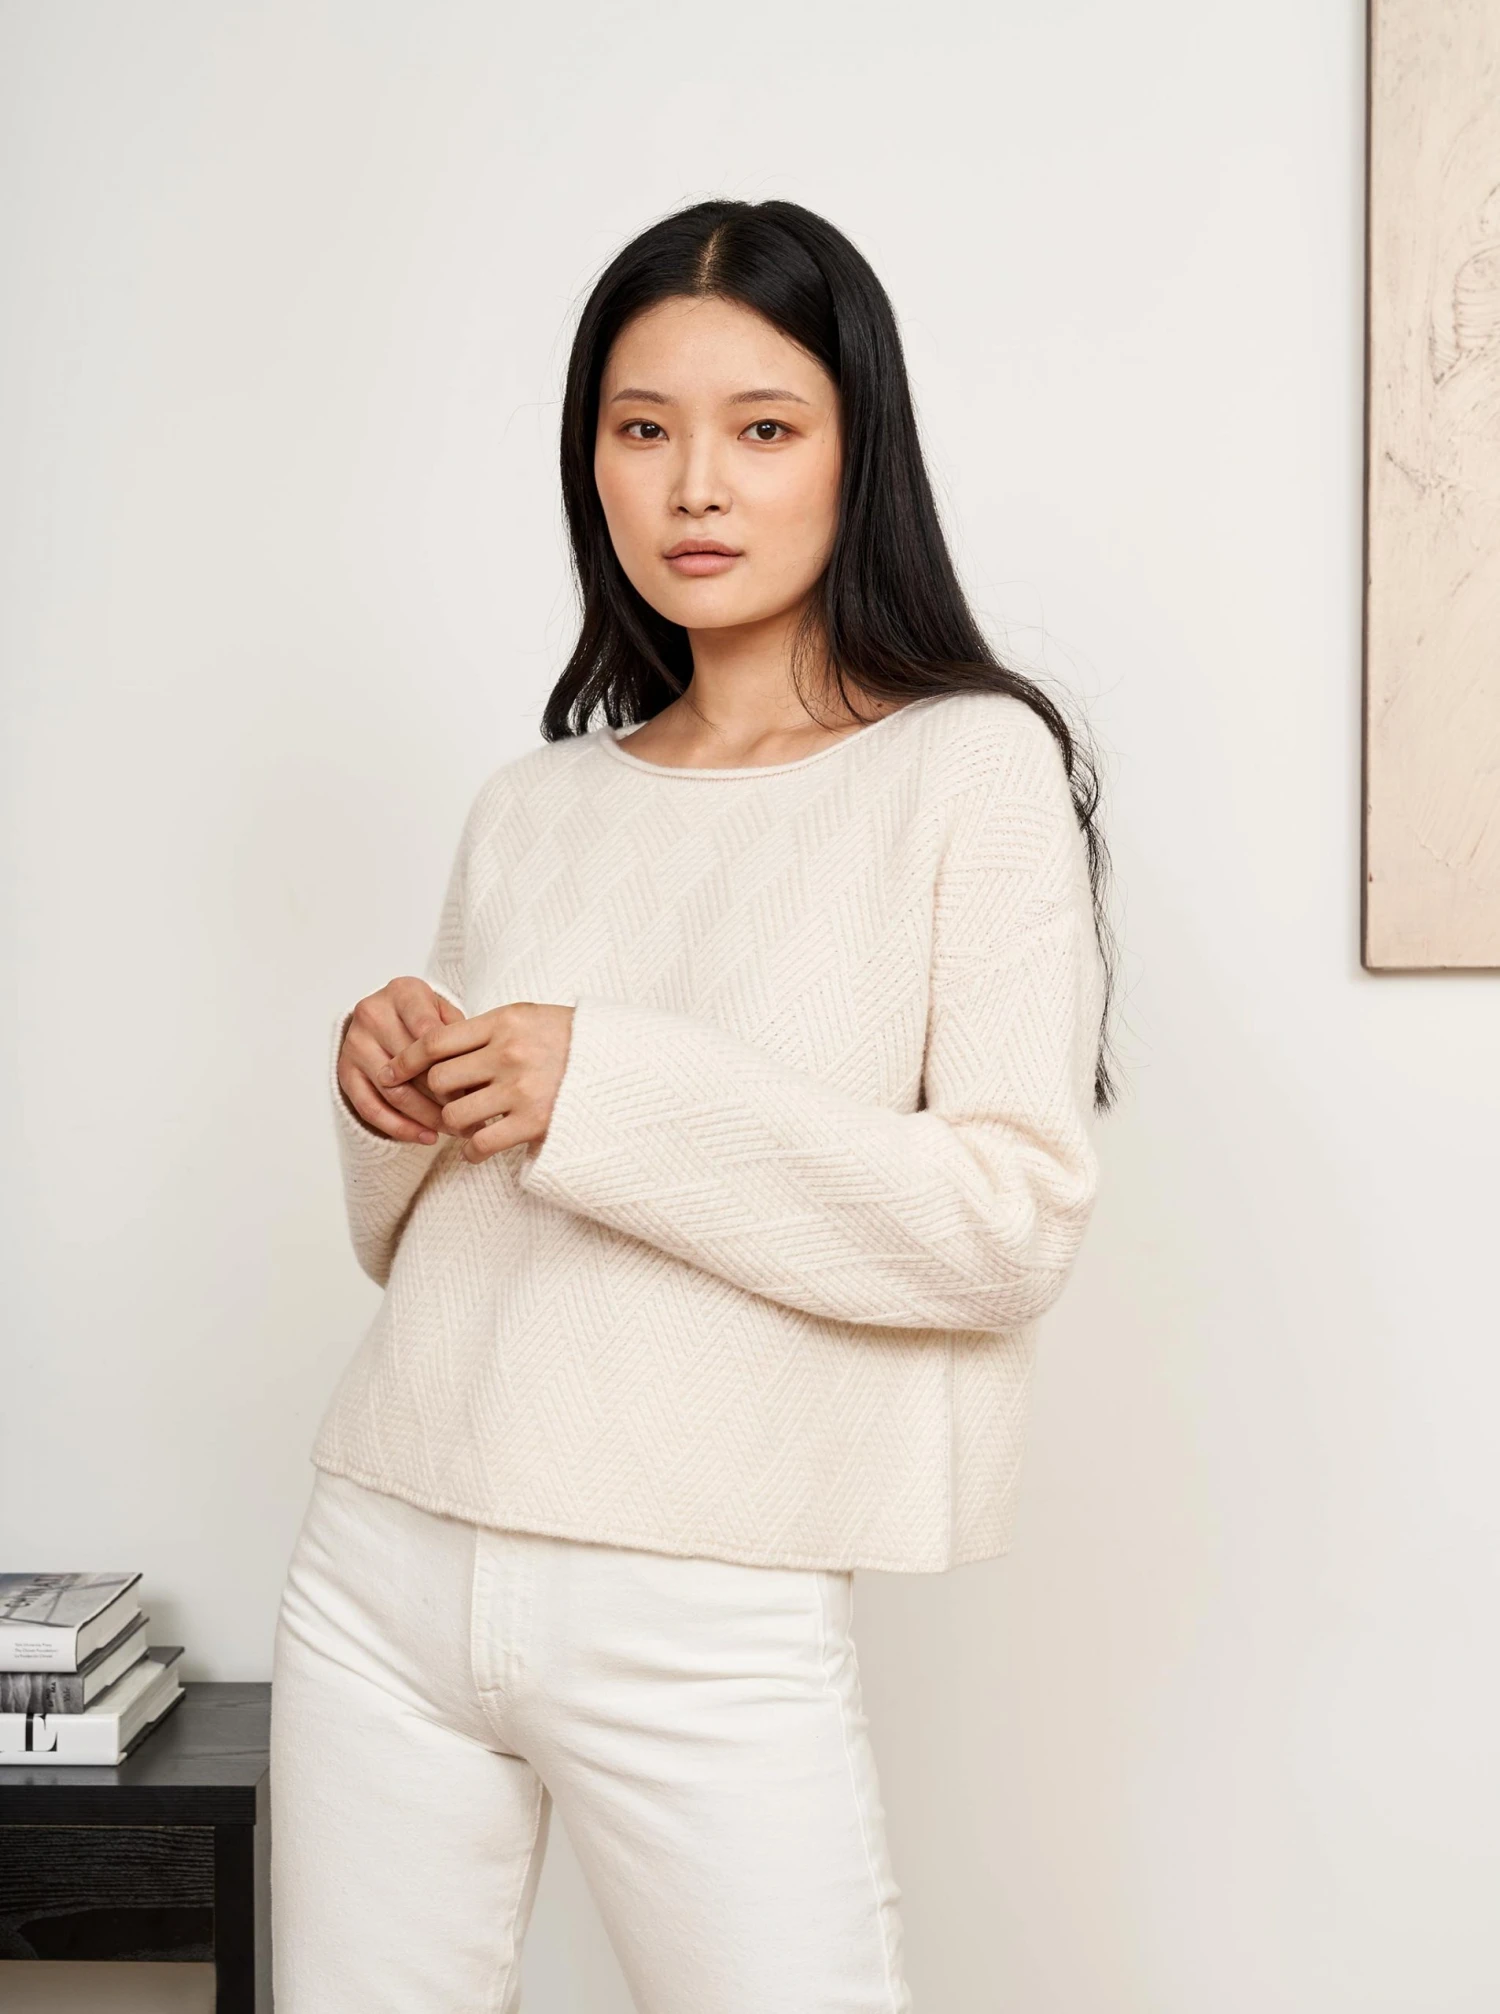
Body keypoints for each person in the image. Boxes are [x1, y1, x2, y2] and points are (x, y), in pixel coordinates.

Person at [269, 196, 1119, 2014]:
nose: (696, 486)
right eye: (642, 427)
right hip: (385, 1549)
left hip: (702, 1587)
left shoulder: (968, 766)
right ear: (591, 460)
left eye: (764, 426)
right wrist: (391, 1093)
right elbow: (410, 1246)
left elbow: (1011, 1221)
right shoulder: (533, 803)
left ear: (858, 451)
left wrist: (607, 1083)